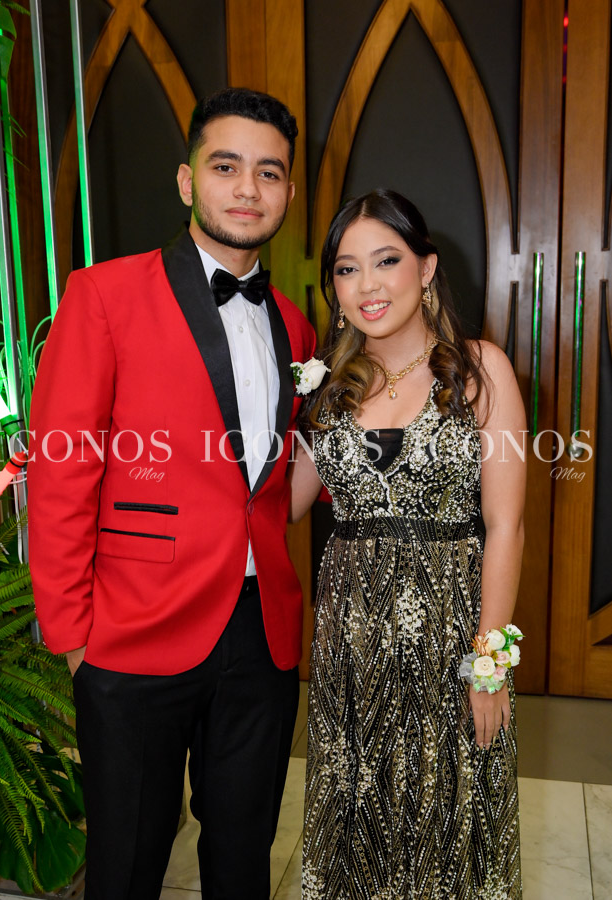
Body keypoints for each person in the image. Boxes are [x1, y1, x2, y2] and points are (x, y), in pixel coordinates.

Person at [27, 87, 315, 900]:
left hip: (261, 635)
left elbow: (272, 482)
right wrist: (74, 637)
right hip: (132, 627)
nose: (247, 189)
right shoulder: (103, 294)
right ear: (188, 180)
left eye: (268, 172)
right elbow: (62, 470)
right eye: (226, 167)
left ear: (289, 192)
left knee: (242, 854)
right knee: (127, 861)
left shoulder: (294, 324)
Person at [289, 189, 525, 898]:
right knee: (359, 821)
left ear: (425, 269)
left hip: (451, 639)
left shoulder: (479, 370)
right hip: (351, 647)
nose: (366, 284)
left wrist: (489, 666)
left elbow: (506, 525)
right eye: (346, 268)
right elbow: (286, 503)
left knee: (447, 818)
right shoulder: (330, 386)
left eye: (385, 260)